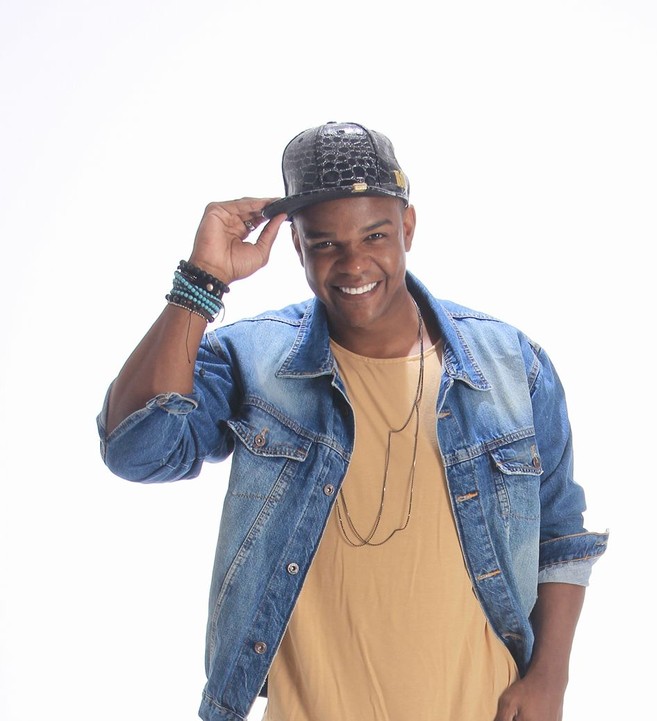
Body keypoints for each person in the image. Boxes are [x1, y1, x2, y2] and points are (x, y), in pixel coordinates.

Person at [98, 121, 608, 721]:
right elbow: (140, 450)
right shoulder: (255, 361)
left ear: (408, 227)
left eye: (374, 236)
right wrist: (199, 283)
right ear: (296, 247)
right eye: (325, 244)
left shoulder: (510, 365)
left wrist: (550, 678)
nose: (354, 264)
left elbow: (560, 533)